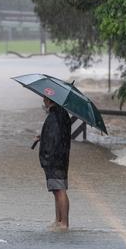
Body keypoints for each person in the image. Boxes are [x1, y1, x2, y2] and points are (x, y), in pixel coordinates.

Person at [35, 96, 72, 230]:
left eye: (45, 98)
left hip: (55, 158)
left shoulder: (55, 115)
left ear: (50, 100)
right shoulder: (61, 114)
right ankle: (59, 220)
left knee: (60, 189)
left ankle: (64, 223)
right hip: (59, 156)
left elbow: (55, 138)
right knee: (57, 190)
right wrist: (43, 136)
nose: (43, 101)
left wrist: (47, 157)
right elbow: (56, 135)